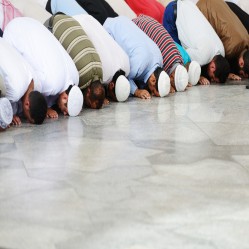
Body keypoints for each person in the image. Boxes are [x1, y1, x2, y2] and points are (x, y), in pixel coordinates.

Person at [3, 17, 83, 118]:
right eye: (66, 110)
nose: (64, 113)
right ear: (65, 97)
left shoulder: (76, 77)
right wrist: (44, 109)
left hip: (31, 22)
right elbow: (29, 86)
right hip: (14, 32)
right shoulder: (52, 84)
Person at [47, 13, 106, 109]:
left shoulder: (100, 72)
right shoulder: (80, 79)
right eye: (89, 104)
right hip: (52, 25)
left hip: (70, 19)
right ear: (87, 92)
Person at [104, 16, 172, 99]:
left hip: (124, 20)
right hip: (109, 30)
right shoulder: (139, 65)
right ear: (153, 80)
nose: (152, 94)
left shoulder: (160, 60)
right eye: (153, 91)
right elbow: (122, 77)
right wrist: (136, 91)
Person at [169, 0, 231, 84]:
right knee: (171, 52)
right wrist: (197, 77)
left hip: (185, 6)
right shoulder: (203, 56)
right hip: (173, 12)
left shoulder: (221, 51)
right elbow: (182, 57)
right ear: (213, 67)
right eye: (212, 77)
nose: (211, 79)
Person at [72, 13, 130, 103]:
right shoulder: (105, 75)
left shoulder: (127, 65)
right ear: (111, 85)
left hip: (90, 19)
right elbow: (95, 87)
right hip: (77, 25)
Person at [133, 14, 200, 89]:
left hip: (146, 20)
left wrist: (182, 81)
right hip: (137, 25)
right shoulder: (163, 60)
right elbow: (157, 77)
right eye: (172, 83)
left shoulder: (179, 59)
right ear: (171, 76)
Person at [0, 37, 47, 125]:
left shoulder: (37, 84)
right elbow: (2, 104)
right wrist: (8, 115)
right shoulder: (15, 91)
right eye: (28, 119)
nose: (26, 119)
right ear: (27, 104)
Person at [197, 0, 249, 78]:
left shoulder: (246, 37)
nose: (240, 74)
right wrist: (227, 74)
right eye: (241, 73)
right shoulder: (230, 49)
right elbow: (216, 62)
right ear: (241, 63)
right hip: (202, 9)